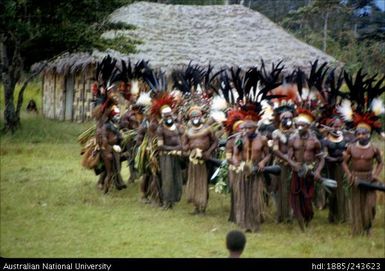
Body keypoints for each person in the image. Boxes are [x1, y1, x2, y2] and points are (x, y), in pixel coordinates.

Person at [286, 110, 324, 231]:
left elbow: (321, 158)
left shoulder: (315, 141)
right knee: (296, 197)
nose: (300, 127)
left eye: (303, 125)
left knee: (307, 199)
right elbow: (288, 156)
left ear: (308, 126)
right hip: (297, 172)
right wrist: (293, 164)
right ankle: (299, 219)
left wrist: (317, 171)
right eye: (298, 125)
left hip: (309, 173)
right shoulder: (292, 139)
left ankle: (308, 217)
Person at [231, 119, 271, 232]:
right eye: (245, 128)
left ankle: (254, 222)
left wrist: (263, 162)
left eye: (250, 128)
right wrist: (236, 162)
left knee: (254, 196)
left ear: (255, 128)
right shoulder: (239, 139)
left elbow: (268, 155)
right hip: (243, 170)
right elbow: (235, 154)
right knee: (244, 196)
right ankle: (245, 222)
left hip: (256, 170)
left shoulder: (262, 139)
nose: (247, 130)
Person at [183, 106, 218, 215]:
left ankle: (203, 207)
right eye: (193, 117)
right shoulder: (188, 131)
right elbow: (184, 145)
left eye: (197, 116)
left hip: (205, 160)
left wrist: (208, 152)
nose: (195, 118)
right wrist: (189, 151)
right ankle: (196, 207)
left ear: (201, 117)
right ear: (190, 119)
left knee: (203, 182)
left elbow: (215, 142)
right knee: (194, 182)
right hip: (193, 160)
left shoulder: (207, 129)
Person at [157, 104, 184, 209]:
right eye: (166, 116)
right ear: (163, 117)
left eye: (170, 115)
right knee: (167, 178)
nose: (169, 118)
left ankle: (174, 199)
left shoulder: (177, 127)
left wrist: (181, 147)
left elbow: (183, 139)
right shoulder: (160, 129)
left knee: (176, 177)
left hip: (177, 155)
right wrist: (174, 149)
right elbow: (160, 146)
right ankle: (166, 202)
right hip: (166, 156)